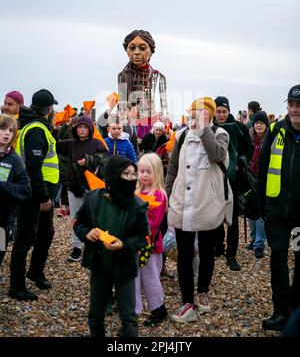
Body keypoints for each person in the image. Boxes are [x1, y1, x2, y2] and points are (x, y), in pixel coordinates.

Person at [165, 97, 233, 323]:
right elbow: (172, 167)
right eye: (194, 112)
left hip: (207, 203)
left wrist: (205, 130)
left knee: (206, 251)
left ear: (210, 114)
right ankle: (187, 303)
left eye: (202, 113)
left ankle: (202, 290)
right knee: (184, 255)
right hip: (182, 201)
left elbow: (216, 155)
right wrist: (168, 194)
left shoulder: (220, 133)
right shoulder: (182, 135)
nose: (196, 117)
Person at [73, 156, 149, 337]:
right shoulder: (93, 199)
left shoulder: (137, 206)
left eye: (133, 174)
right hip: (100, 265)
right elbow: (78, 222)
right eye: (126, 174)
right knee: (96, 313)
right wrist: (86, 233)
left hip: (125, 267)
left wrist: (124, 245)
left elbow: (142, 237)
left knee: (128, 316)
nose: (131, 178)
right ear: (113, 176)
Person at [9, 89, 59, 301]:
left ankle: (35, 271)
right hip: (34, 193)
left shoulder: (36, 126)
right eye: (52, 107)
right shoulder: (37, 129)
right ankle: (17, 286)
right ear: (48, 109)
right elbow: (33, 167)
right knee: (24, 239)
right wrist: (44, 197)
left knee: (46, 233)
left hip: (40, 190)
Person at [259, 84, 300, 331]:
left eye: (299, 106)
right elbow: (262, 169)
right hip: (276, 213)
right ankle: (281, 312)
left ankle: (295, 309)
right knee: (278, 259)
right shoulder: (276, 130)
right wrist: (263, 205)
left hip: (299, 217)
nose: (295, 110)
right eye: (292, 105)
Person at [54, 115, 108, 262]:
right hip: (74, 186)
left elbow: (105, 157)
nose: (82, 130)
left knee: (95, 217)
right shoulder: (71, 143)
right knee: (76, 218)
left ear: (90, 129)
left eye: (85, 127)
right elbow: (55, 144)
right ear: (76, 129)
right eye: (80, 127)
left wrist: (89, 160)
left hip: (93, 187)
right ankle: (77, 247)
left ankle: (96, 245)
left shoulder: (97, 143)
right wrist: (57, 128)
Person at [213, 96, 253, 271]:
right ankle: (219, 245)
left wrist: (240, 162)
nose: (221, 115)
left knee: (233, 219)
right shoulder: (210, 128)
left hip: (234, 181)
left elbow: (248, 148)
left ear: (228, 111)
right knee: (215, 215)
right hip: (214, 179)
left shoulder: (240, 128)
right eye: (218, 111)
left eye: (224, 111)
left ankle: (232, 254)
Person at [135, 153, 168, 327]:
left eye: (149, 171)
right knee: (134, 277)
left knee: (150, 278)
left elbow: (153, 223)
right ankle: (133, 310)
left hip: (150, 245)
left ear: (157, 173)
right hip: (135, 244)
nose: (145, 175)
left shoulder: (159, 195)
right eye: (141, 171)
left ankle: (158, 308)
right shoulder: (137, 192)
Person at [118, 30, 168, 140]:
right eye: (132, 48)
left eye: (142, 48)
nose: (136, 52)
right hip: (129, 123)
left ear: (151, 51)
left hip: (151, 123)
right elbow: (122, 104)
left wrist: (165, 124)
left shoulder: (158, 76)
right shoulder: (122, 75)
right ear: (126, 50)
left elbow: (164, 105)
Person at [0, 115, 31, 266]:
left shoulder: (15, 159)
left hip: (3, 220)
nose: (7, 133)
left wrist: (3, 186)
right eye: (3, 129)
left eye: (11, 131)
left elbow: (25, 189)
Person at [247, 111, 269, 258]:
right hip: (250, 178)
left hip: (264, 179)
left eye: (261, 123)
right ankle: (253, 238)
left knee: (261, 213)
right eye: (256, 123)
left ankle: (259, 244)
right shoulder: (250, 139)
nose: (259, 125)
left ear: (266, 125)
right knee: (250, 210)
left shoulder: (269, 140)